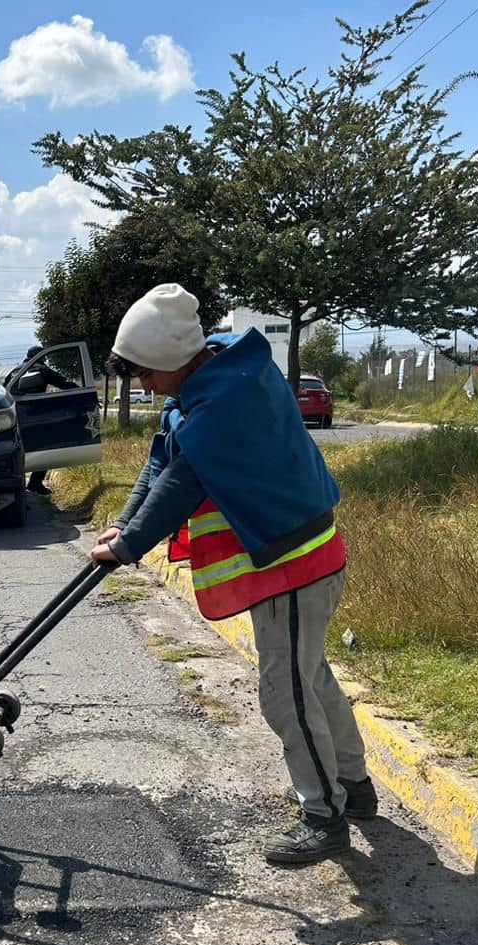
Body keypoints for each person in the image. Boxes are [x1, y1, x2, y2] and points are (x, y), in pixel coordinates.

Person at [90, 283, 375, 866]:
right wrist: (121, 528)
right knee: (310, 677)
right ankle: (357, 788)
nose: (143, 385)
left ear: (172, 359)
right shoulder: (218, 368)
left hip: (294, 563)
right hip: (306, 551)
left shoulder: (221, 407)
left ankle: (325, 816)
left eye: (145, 373)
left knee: (286, 692)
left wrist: (130, 548)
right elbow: (159, 459)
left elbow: (180, 483)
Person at [5, 346, 78, 495]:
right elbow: (64, 383)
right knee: (45, 449)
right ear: (41, 357)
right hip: (35, 415)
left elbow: (3, 390)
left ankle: (17, 490)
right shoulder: (42, 370)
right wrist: (83, 392)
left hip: (13, 417)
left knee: (16, 452)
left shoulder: (15, 371)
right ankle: (35, 483)